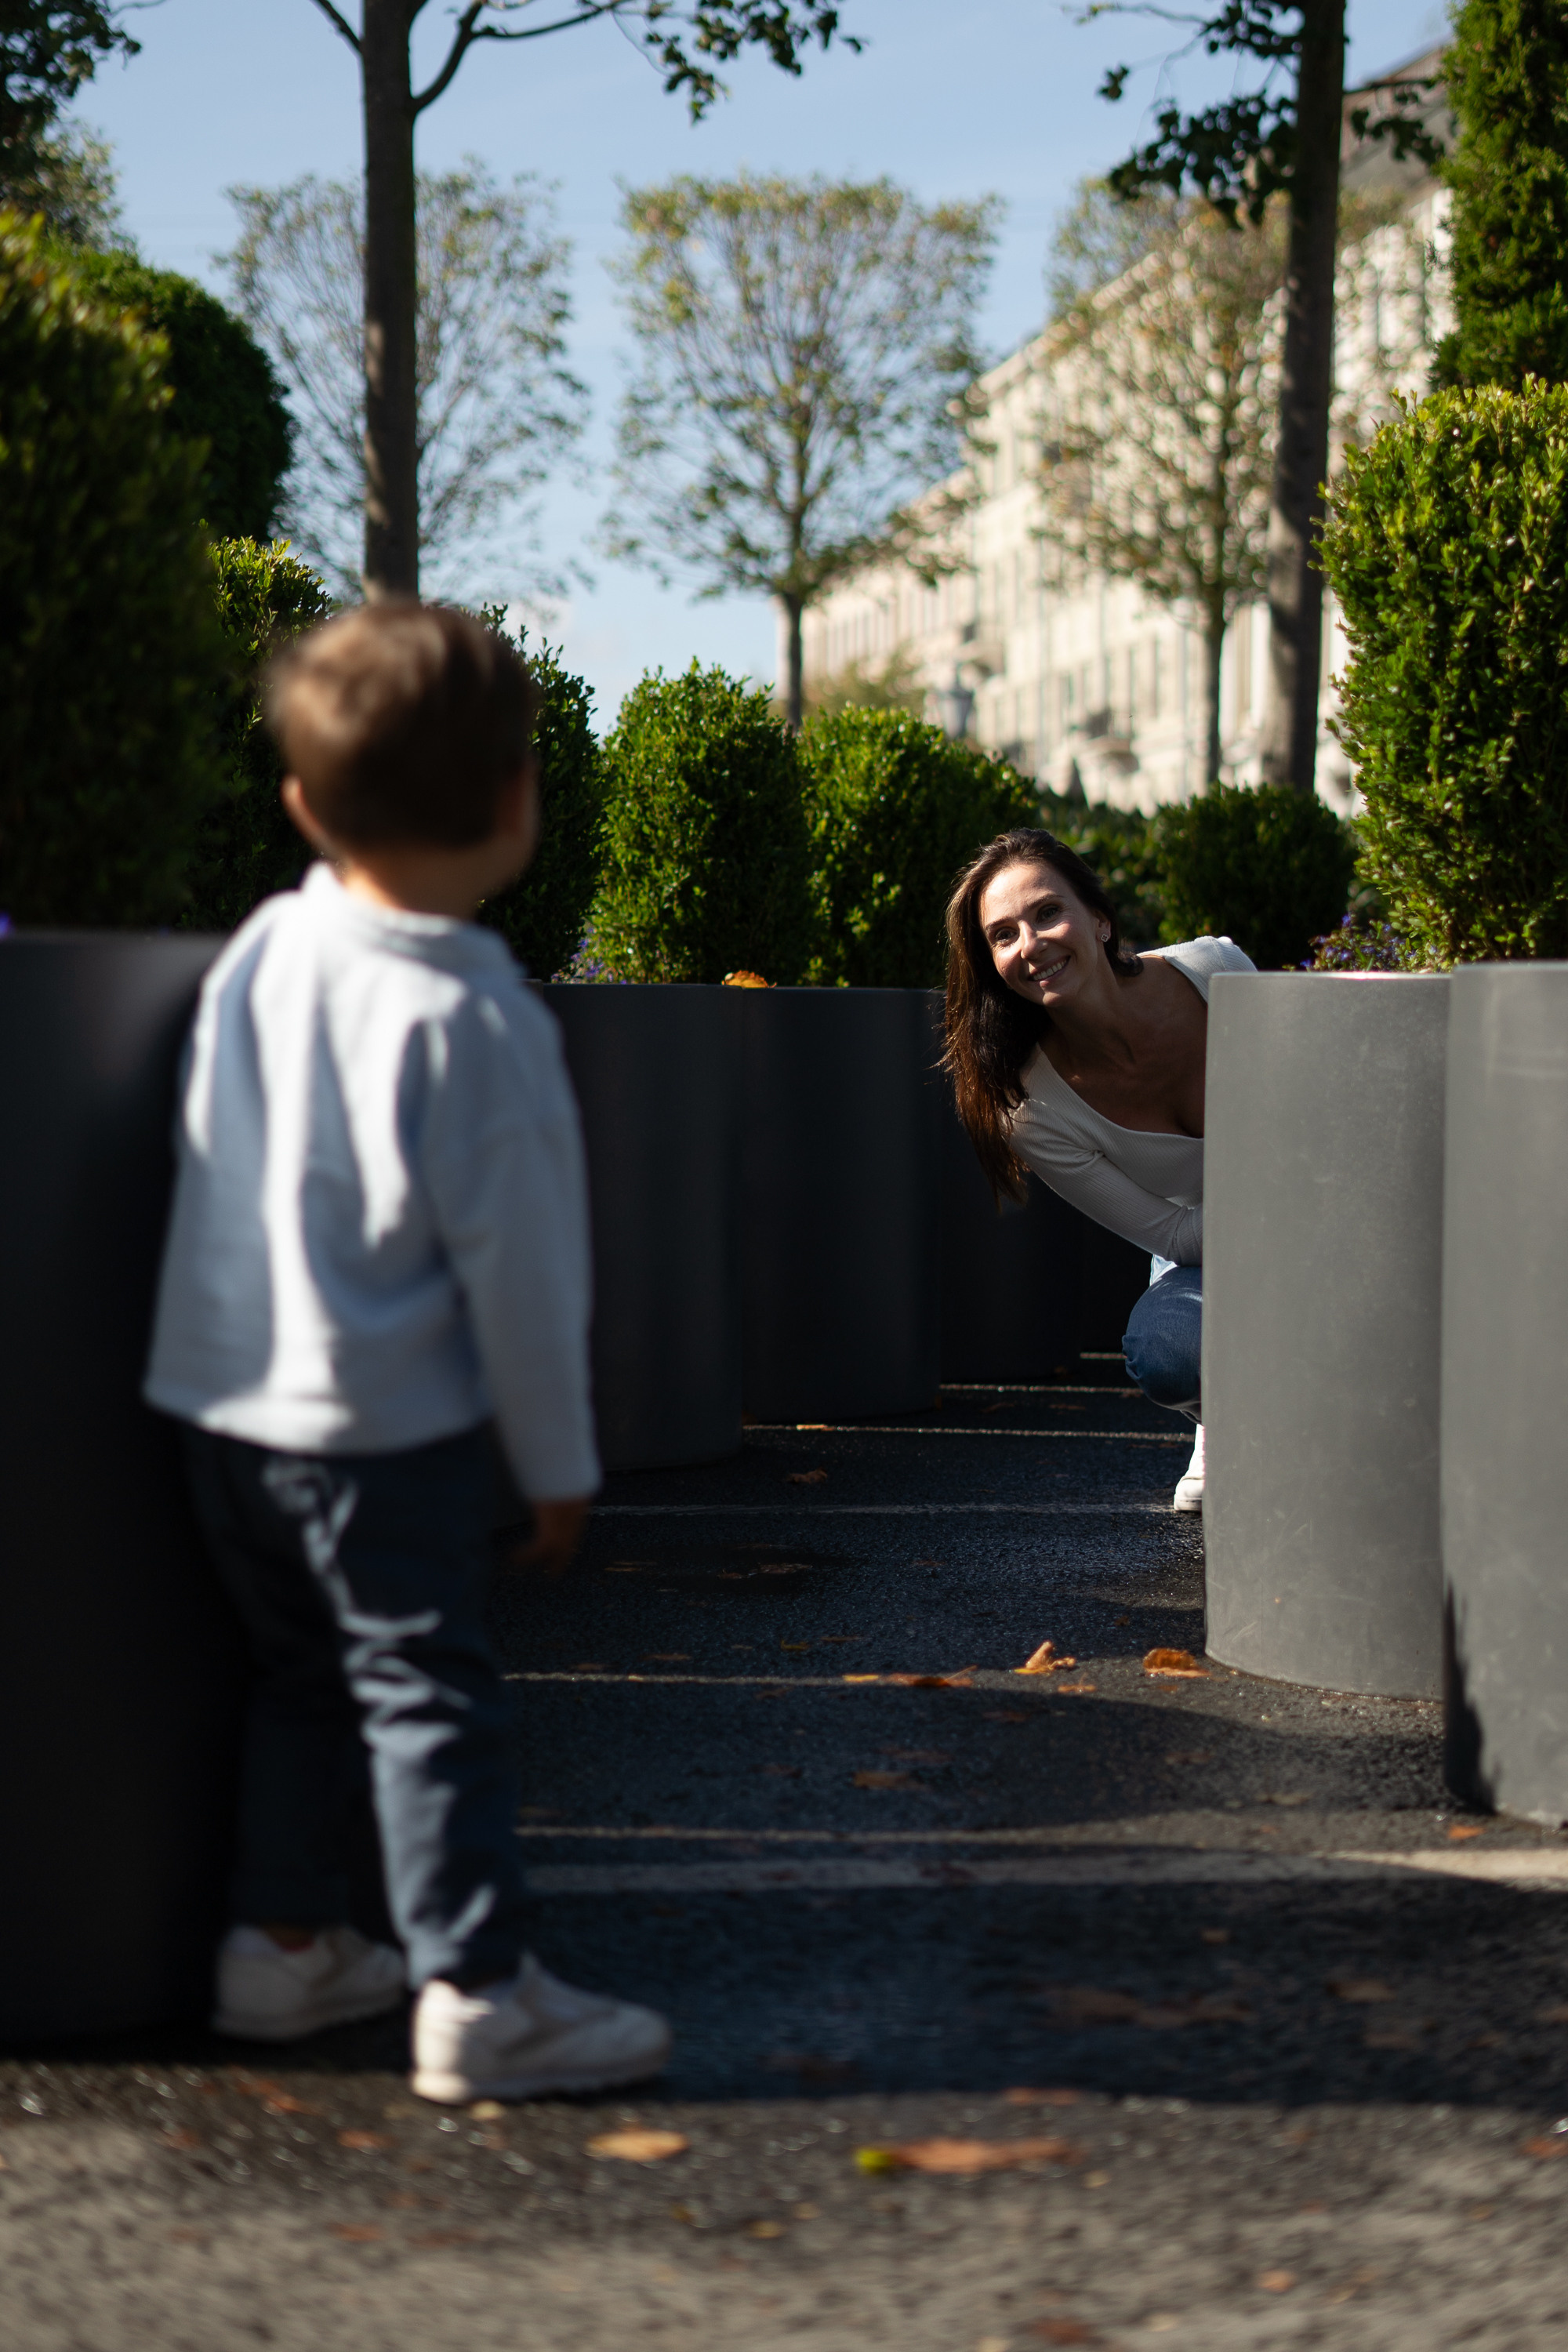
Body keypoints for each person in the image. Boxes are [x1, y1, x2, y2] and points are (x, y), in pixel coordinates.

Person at [143, 601, 670, 2103]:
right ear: (518, 800)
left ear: (304, 805)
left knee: (298, 1677)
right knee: (431, 1696)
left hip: (224, 1412)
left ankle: (282, 1945)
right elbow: (528, 1280)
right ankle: (480, 1991)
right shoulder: (477, 1018)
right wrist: (559, 1468)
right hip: (384, 1434)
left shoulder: (266, 949)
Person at [943, 826, 1255, 1513]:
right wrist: (1280, 1232)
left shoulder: (1217, 968)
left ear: (1100, 920)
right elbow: (1172, 1235)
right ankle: (1224, 1410)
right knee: (1169, 1349)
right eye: (1003, 935)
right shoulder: (1030, 1112)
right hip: (1209, 1250)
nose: (1031, 944)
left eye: (1048, 912)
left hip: (1329, 1203)